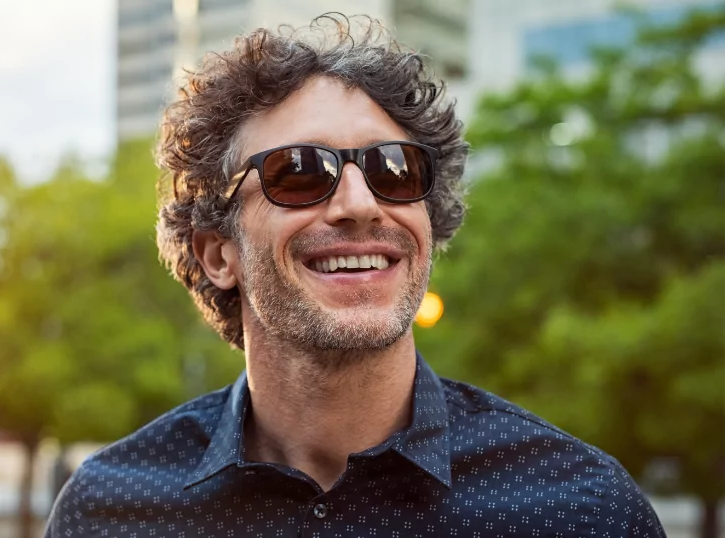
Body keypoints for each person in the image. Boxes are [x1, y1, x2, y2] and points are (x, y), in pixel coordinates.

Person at [45, 15, 664, 537]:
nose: (361, 203)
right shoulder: (109, 513)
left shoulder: (585, 509)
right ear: (217, 254)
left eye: (394, 169)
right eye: (299, 173)